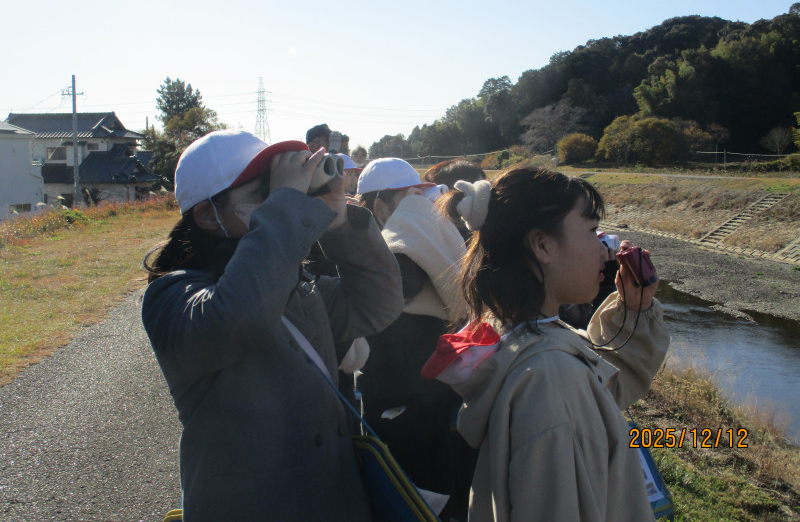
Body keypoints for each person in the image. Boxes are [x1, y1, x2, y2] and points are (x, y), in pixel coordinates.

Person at [141, 129, 404, 521]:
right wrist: (287, 209)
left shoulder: (295, 285)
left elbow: (379, 303)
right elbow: (239, 319)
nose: (279, 204)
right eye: (262, 194)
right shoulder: (171, 296)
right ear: (206, 215)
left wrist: (340, 222)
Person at [422, 165, 670, 522]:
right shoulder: (549, 381)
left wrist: (635, 310)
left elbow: (601, 380)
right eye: (590, 231)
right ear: (542, 245)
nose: (604, 251)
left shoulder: (515, 333)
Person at [355, 157, 477, 521]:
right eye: (408, 199)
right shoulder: (438, 249)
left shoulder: (397, 258)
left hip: (402, 412)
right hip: (444, 404)